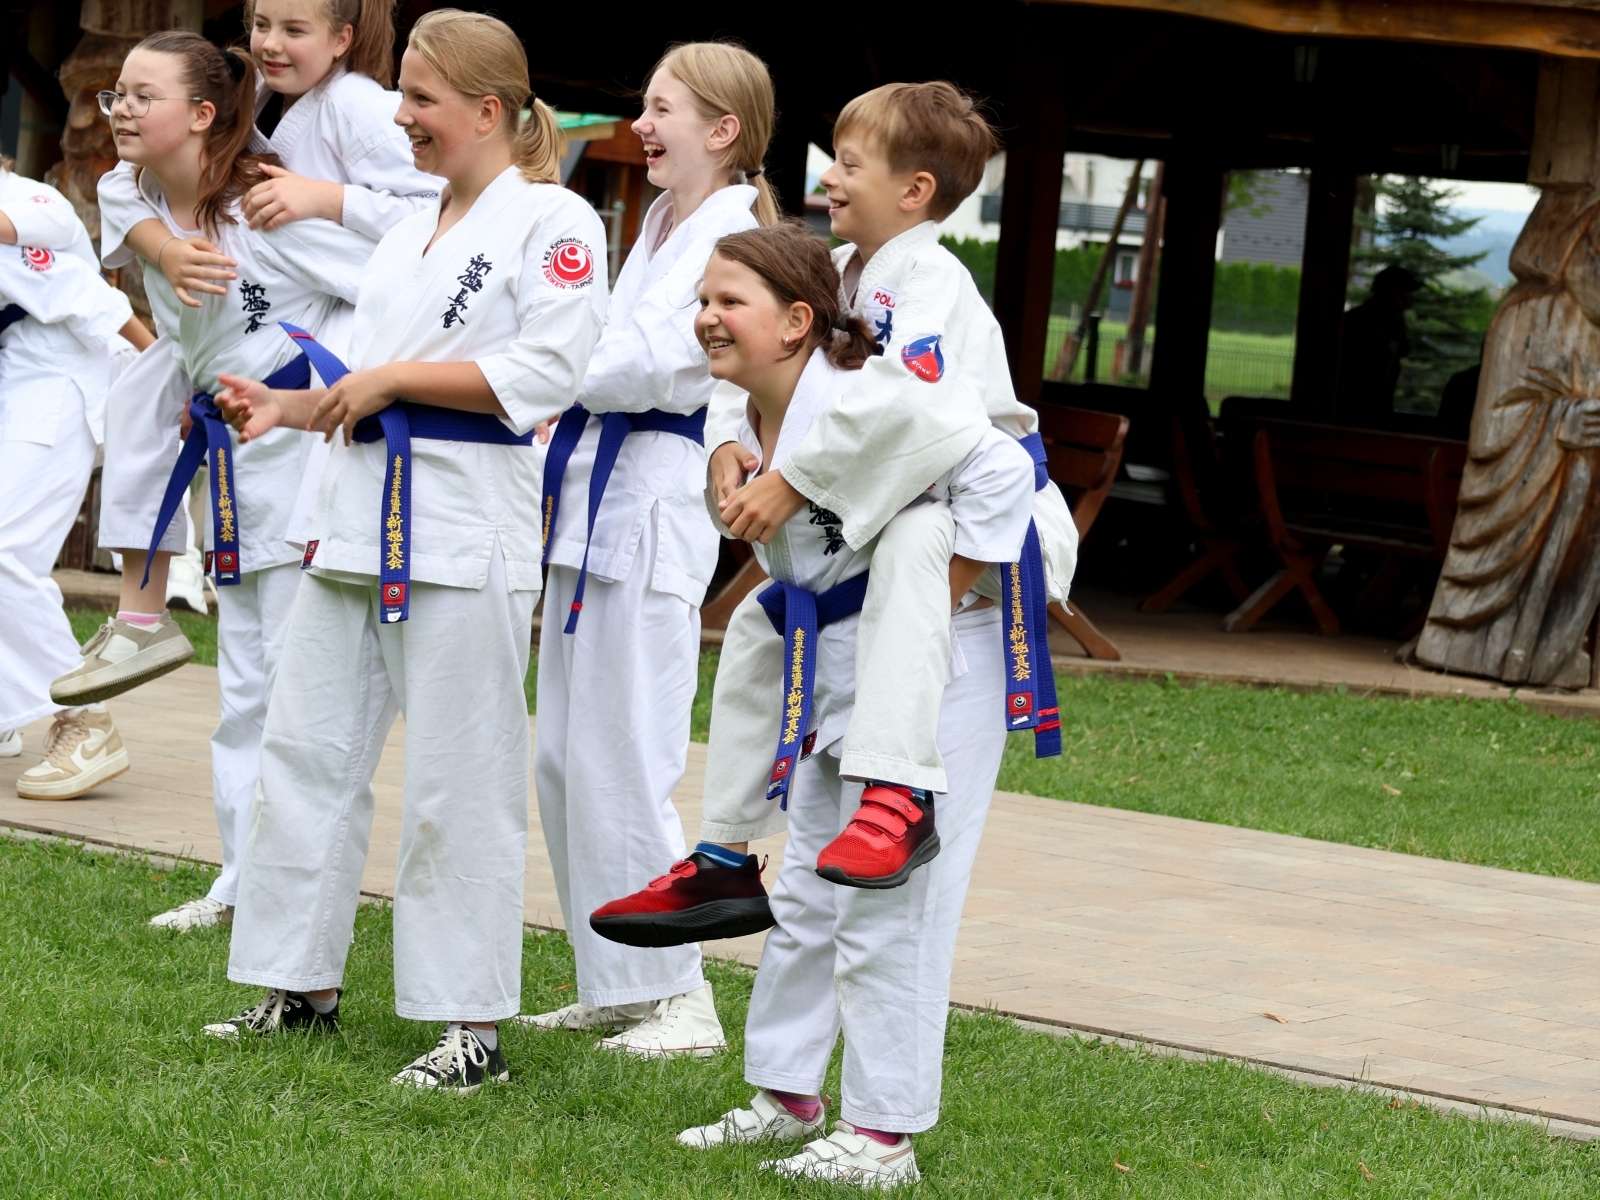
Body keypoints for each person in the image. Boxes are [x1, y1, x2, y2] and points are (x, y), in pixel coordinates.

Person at [209, 8, 606, 1094]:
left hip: (463, 525)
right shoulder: (408, 229)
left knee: (458, 779)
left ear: (488, 110)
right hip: (350, 517)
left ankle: (470, 1027)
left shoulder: (554, 220)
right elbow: (369, 380)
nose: (402, 118)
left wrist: (386, 381)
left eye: (421, 100)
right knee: (305, 756)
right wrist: (292, 408)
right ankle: (298, 986)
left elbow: (549, 370)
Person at [593, 81, 1077, 942]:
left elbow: (907, 399)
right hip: (902, 502)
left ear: (915, 191)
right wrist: (725, 441)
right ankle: (725, 856)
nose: (829, 177)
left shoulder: (930, 278)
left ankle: (898, 794)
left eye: (850, 164)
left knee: (911, 554)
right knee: (763, 620)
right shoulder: (847, 271)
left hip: (983, 512)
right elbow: (763, 365)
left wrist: (797, 479)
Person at [60, 0, 441, 935]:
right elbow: (121, 204)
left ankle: (287, 884)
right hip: (224, 452)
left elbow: (400, 275)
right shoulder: (143, 197)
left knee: (288, 678)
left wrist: (353, 380)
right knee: (244, 681)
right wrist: (161, 249)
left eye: (141, 96)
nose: (119, 110)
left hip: (297, 447)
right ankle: (241, 877)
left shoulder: (266, 206)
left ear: (201, 114)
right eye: (116, 94)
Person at [673, 224, 1036, 1188]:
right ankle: (787, 1094)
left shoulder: (888, 387)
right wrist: (728, 445)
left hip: (933, 655)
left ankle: (883, 1136)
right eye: (703, 300)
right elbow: (731, 394)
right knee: (809, 885)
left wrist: (936, 596)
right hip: (844, 646)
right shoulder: (776, 395)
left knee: (891, 902)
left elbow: (1003, 470)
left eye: (728, 301)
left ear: (798, 322)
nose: (708, 317)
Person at [516, 41, 777, 1058]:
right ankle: (617, 980)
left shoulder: (736, 231)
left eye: (662, 109)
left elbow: (656, 361)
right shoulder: (665, 222)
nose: (642, 125)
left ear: (723, 129)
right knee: (562, 757)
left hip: (657, 495)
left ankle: (681, 996)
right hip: (593, 491)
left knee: (627, 753)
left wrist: (534, 358)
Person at [0, 161, 153, 796]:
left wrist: (164, 374)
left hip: (56, 383)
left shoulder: (31, 205)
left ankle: (86, 719)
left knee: (4, 552)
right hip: (18, 385)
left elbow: (91, 300)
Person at [1335, 264, 1419, 429]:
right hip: (1350, 416)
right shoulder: (1354, 325)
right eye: (1402, 298)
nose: (1408, 306)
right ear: (1385, 295)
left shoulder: (1394, 326)